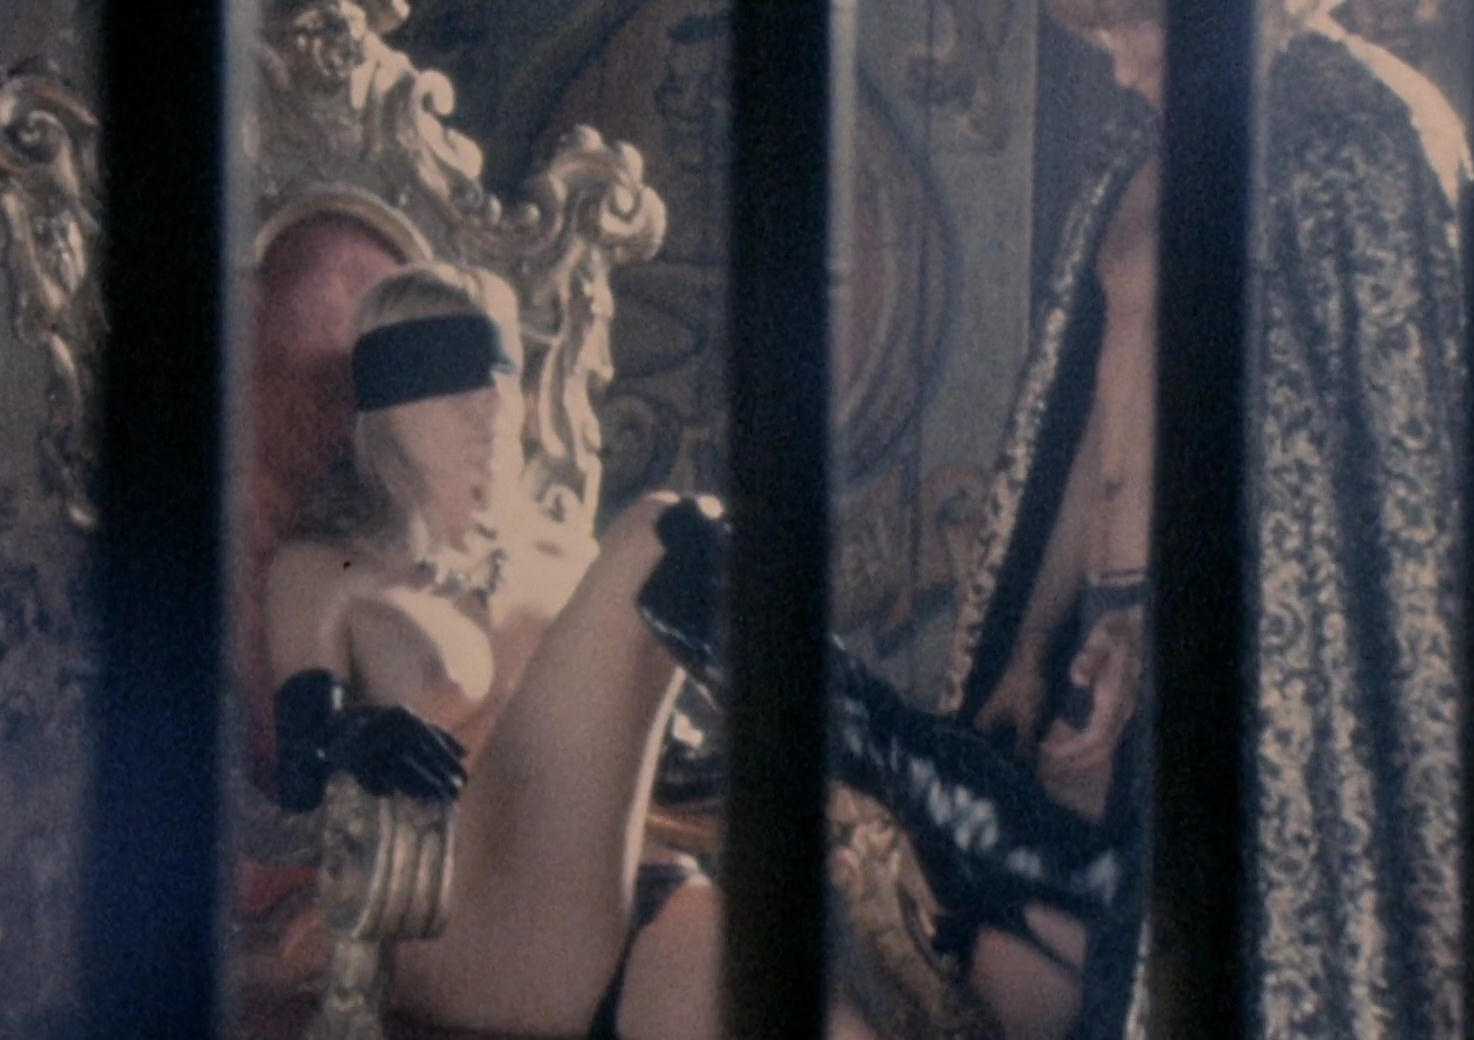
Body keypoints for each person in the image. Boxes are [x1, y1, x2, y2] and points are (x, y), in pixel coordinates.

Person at [265, 260, 1124, 1039]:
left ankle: (946, 805)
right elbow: (303, 768)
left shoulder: (561, 554)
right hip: (465, 925)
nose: (487, 409)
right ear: (388, 411)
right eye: (450, 384)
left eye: (499, 380)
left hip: (634, 896)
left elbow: (662, 758)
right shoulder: (329, 570)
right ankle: (961, 803)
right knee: (662, 532)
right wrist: (358, 736)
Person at [938, 0, 1472, 1035]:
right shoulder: (1132, 156)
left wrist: (1184, 621)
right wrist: (1030, 642)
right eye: (1105, 39)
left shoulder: (1354, 129)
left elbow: (1357, 478)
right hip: (1100, 629)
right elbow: (1081, 428)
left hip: (1262, 656)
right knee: (1022, 959)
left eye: (1140, 31)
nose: (1121, 69)